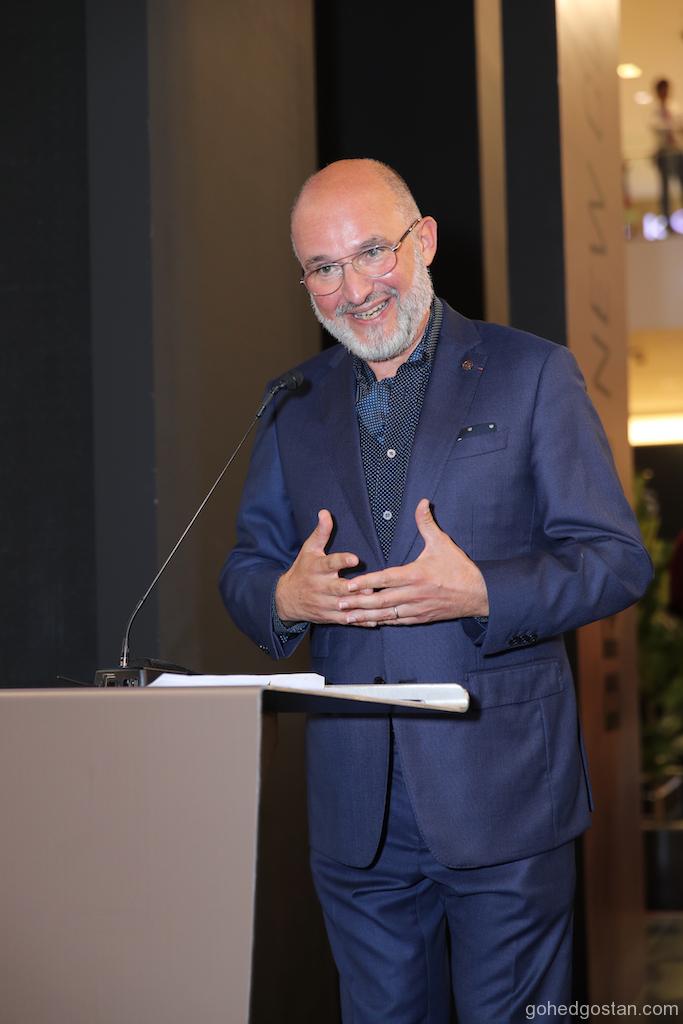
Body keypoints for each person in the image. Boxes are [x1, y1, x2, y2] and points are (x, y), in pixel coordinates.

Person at [220, 159, 652, 1023]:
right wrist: (283, 599)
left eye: (370, 252)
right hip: (355, 814)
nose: (353, 289)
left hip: (505, 796)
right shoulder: (292, 403)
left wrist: (485, 591)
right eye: (322, 267)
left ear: (422, 241)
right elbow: (246, 567)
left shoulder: (532, 373)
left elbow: (614, 559)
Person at [650, 78, 683, 226]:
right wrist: (672, 126)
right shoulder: (653, 110)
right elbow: (656, 127)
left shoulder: (675, 108)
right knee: (665, 189)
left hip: (678, 151)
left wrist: (672, 126)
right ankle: (667, 222)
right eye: (661, 90)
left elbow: (679, 126)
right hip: (663, 152)